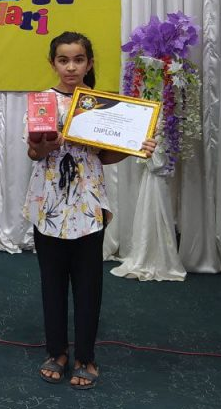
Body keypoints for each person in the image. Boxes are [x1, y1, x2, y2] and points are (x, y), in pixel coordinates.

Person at [23, 31, 156, 390]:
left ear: (89, 63)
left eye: (78, 60)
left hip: (88, 203)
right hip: (48, 203)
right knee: (52, 283)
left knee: (88, 284)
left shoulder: (102, 105)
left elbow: (106, 156)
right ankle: (56, 352)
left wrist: (136, 145)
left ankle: (85, 356)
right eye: (63, 60)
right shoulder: (42, 101)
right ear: (53, 63)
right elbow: (34, 153)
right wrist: (49, 143)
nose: (71, 67)